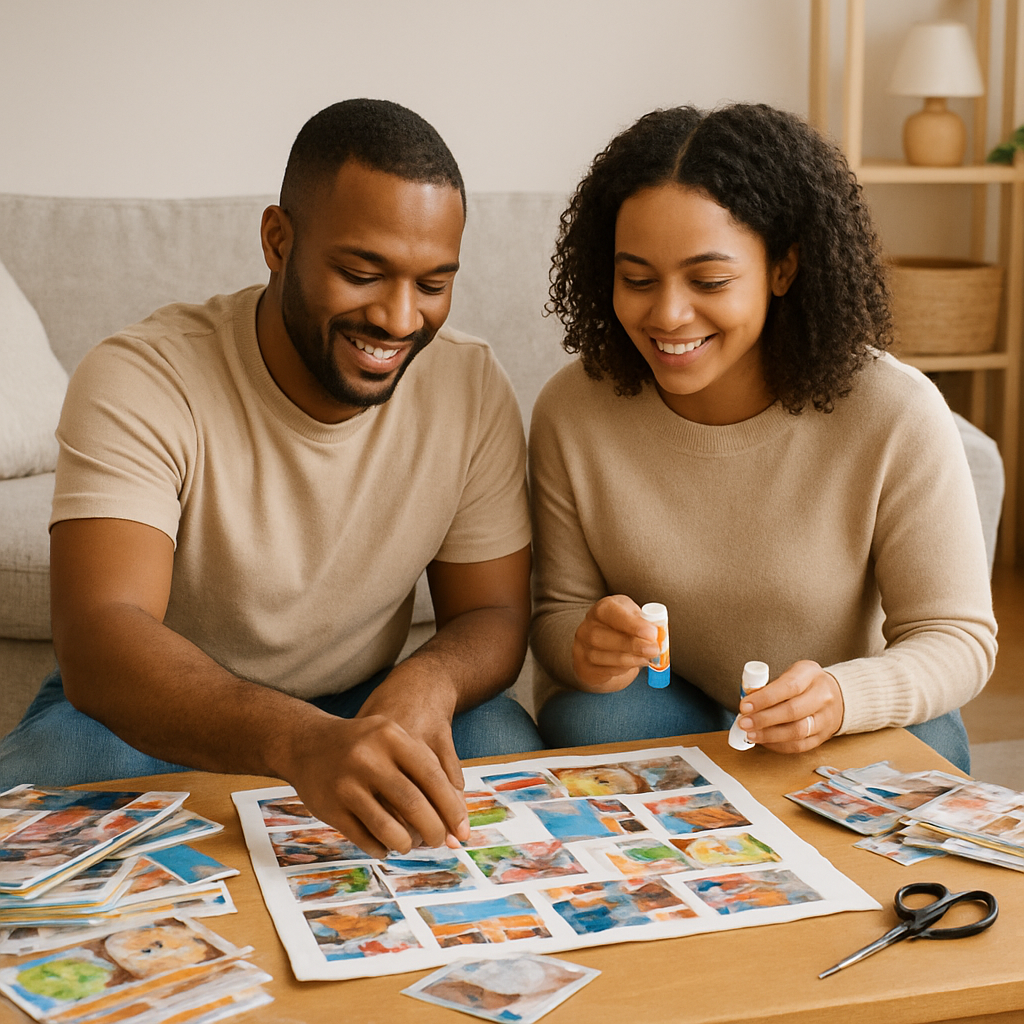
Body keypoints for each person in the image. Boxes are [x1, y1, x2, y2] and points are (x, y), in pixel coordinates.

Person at [0, 99, 544, 858]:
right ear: (277, 240)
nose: (398, 318)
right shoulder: (142, 376)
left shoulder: (471, 384)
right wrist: (300, 743)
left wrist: (428, 685)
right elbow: (100, 636)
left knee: (502, 745)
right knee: (53, 782)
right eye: (363, 273)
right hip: (156, 717)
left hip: (367, 700)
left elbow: (491, 613)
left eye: (432, 284)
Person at [529, 103, 996, 772]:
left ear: (783, 269)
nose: (667, 314)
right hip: (669, 701)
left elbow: (957, 638)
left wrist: (840, 696)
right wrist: (585, 645)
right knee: (593, 714)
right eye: (637, 279)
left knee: (931, 748)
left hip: (834, 711)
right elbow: (558, 615)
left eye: (709, 281)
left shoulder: (894, 413)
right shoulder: (572, 412)